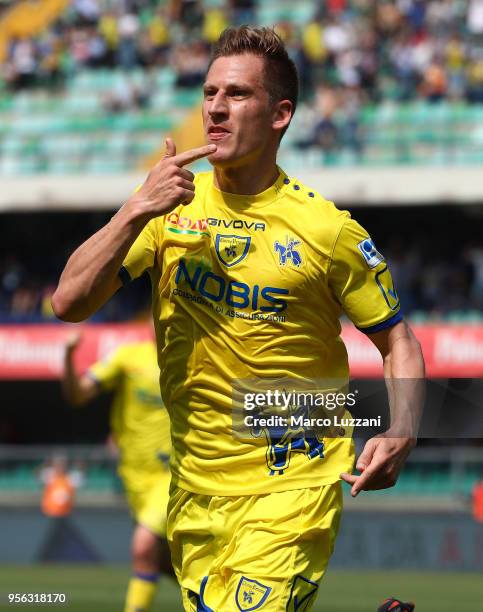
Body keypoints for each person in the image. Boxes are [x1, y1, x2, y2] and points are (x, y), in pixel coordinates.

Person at [52, 26, 425, 612]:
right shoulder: (168, 208)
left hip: (291, 480)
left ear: (280, 114)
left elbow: (397, 339)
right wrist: (135, 208)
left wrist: (401, 429)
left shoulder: (327, 231)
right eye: (208, 93)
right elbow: (68, 302)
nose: (216, 109)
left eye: (237, 95)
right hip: (196, 487)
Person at [62, 330, 172, 612]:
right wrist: (68, 356)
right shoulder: (128, 357)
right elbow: (78, 395)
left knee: (143, 546)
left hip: (173, 474)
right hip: (135, 476)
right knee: (163, 562)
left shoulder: (192, 356)